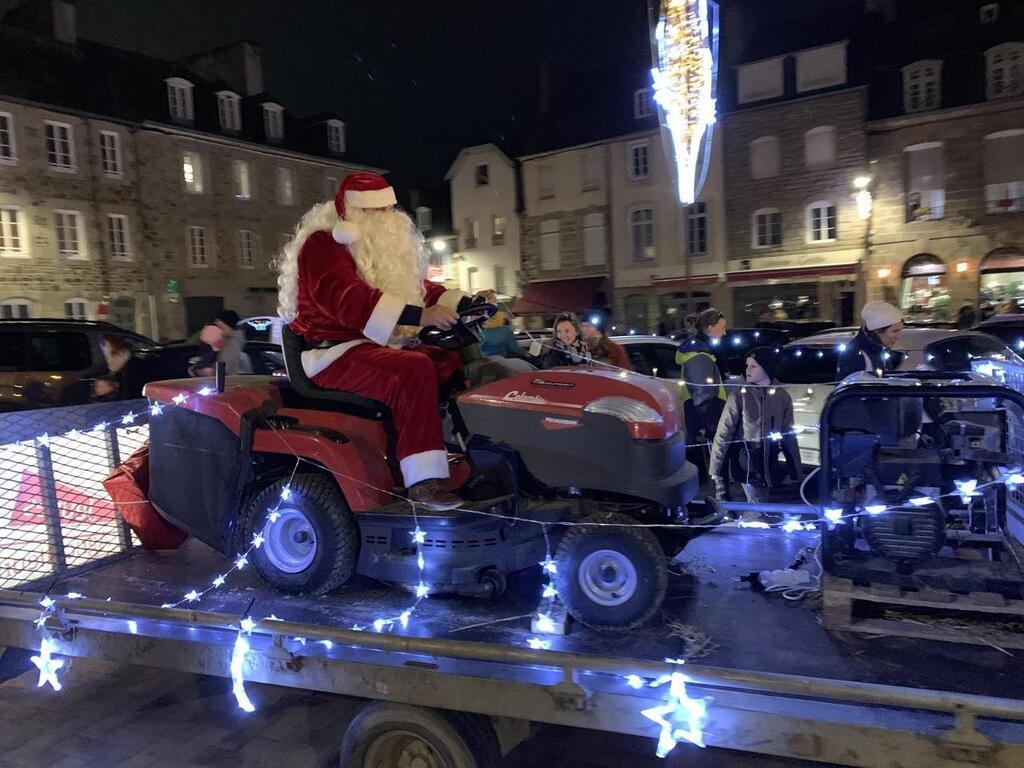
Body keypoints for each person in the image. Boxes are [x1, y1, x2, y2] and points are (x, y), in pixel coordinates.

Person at [278, 172, 478, 510]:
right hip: (333, 353)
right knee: (413, 369)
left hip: (373, 347)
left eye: (388, 210)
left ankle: (471, 453)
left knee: (453, 358)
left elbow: (419, 290)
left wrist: (467, 303)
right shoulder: (323, 245)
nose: (386, 220)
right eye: (375, 212)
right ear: (353, 214)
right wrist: (420, 317)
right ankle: (424, 482)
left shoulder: (377, 253)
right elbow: (348, 300)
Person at [709, 347, 803, 505]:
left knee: (763, 505)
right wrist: (716, 470)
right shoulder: (739, 397)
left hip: (769, 463)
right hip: (747, 464)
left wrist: (796, 472)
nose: (748, 370)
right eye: (747, 366)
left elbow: (789, 436)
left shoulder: (782, 397)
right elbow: (723, 434)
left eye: (753, 366)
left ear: (767, 368)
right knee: (757, 505)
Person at [675, 308, 728, 461]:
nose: (724, 333)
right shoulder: (699, 356)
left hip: (699, 416)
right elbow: (702, 394)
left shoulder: (700, 352)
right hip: (704, 419)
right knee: (709, 466)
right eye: (722, 328)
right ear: (710, 328)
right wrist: (712, 425)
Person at [836, 300, 903, 380]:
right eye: (894, 331)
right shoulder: (857, 356)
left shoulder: (879, 352)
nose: (898, 337)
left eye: (899, 331)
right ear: (877, 330)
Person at [93, 335, 147, 400]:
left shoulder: (134, 368)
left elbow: (131, 395)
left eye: (111, 354)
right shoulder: (120, 370)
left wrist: (111, 389)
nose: (108, 360)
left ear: (122, 352)